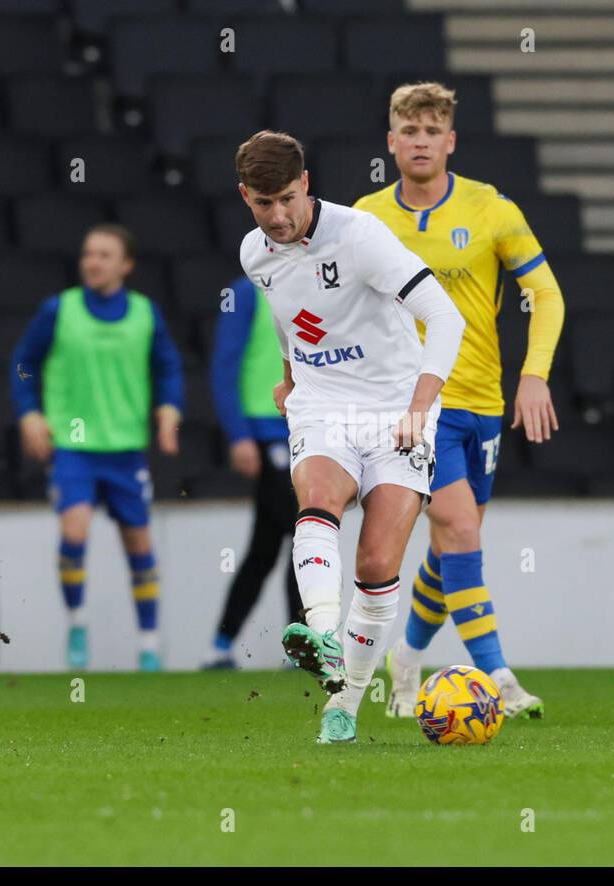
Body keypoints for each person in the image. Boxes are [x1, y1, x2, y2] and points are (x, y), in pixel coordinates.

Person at [235, 130, 466, 743]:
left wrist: (421, 404)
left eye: (287, 198)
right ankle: (324, 635)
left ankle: (345, 702)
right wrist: (289, 375)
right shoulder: (253, 255)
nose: (278, 216)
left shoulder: (359, 236)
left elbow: (445, 316)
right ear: (246, 198)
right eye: (263, 204)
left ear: (306, 183)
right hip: (324, 406)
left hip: (397, 409)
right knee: (317, 500)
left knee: (376, 564)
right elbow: (291, 317)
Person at [355, 82, 565, 718]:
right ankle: (496, 676)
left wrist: (534, 374)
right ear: (391, 143)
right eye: (408, 131)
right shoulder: (365, 218)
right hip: (414, 407)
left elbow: (547, 295)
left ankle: (407, 659)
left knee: (452, 549)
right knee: (461, 528)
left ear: (450, 141)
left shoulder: (492, 209)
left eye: (432, 131)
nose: (420, 142)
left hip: (483, 402)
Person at [11, 224, 184, 671]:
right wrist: (30, 413)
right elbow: (23, 363)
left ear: (125, 265)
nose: (93, 262)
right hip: (75, 447)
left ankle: (148, 644)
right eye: (89, 253)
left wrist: (169, 410)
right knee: (74, 533)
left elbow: (168, 369)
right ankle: (78, 623)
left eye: (104, 255)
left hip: (126, 448)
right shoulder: (59, 309)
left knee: (139, 545)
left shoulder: (145, 313)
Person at [204, 275, 302, 668]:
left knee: (264, 548)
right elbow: (224, 365)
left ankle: (220, 645)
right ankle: (301, 646)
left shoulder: (322, 282)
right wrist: (238, 434)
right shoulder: (247, 293)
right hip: (265, 429)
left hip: (308, 428)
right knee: (305, 532)